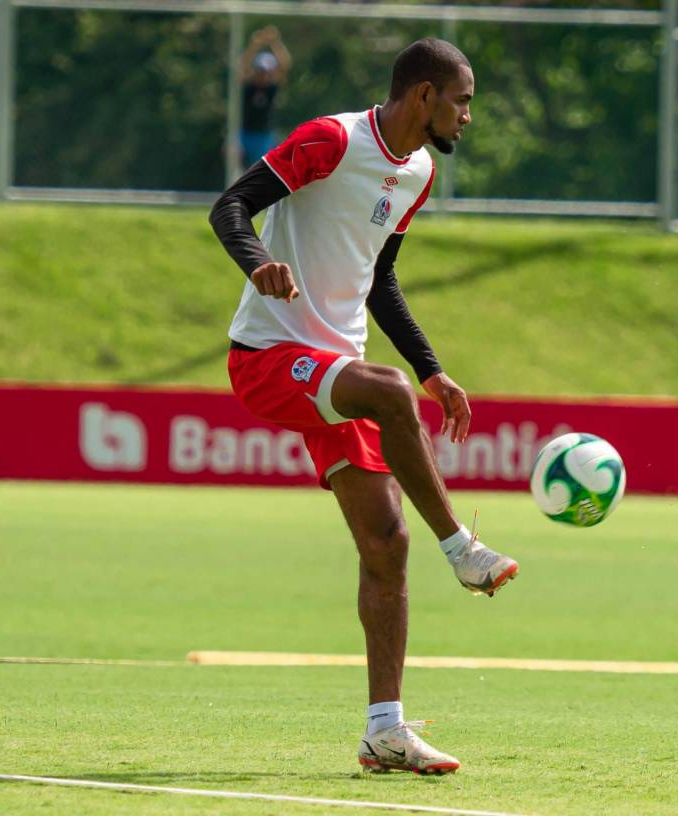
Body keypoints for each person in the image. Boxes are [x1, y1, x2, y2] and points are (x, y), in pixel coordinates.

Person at [210, 38, 518, 776]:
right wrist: (260, 264)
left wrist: (434, 371)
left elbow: (380, 282)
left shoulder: (418, 171)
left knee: (386, 544)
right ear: (423, 96)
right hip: (269, 360)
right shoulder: (330, 141)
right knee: (387, 393)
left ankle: (386, 730)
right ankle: (464, 551)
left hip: (335, 371)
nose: (468, 114)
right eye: (462, 99)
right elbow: (230, 207)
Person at [238, 26, 291, 167]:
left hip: (264, 135)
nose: (263, 75)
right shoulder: (248, 87)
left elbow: (285, 66)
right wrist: (255, 45)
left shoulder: (271, 89)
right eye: (260, 71)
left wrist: (275, 42)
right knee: (233, 156)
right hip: (244, 133)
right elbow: (242, 64)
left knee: (260, 168)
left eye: (266, 71)